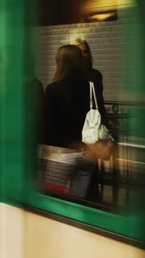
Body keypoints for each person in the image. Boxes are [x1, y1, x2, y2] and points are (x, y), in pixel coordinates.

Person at [44, 45, 112, 201]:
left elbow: (49, 126)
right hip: (87, 153)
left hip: (63, 153)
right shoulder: (90, 88)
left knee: (52, 200)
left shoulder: (53, 89)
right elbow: (101, 113)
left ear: (60, 62)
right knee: (78, 201)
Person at [71, 39, 108, 123]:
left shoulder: (95, 75)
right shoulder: (68, 75)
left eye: (85, 51)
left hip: (92, 122)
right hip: (75, 122)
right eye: (80, 52)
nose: (84, 55)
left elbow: (99, 101)